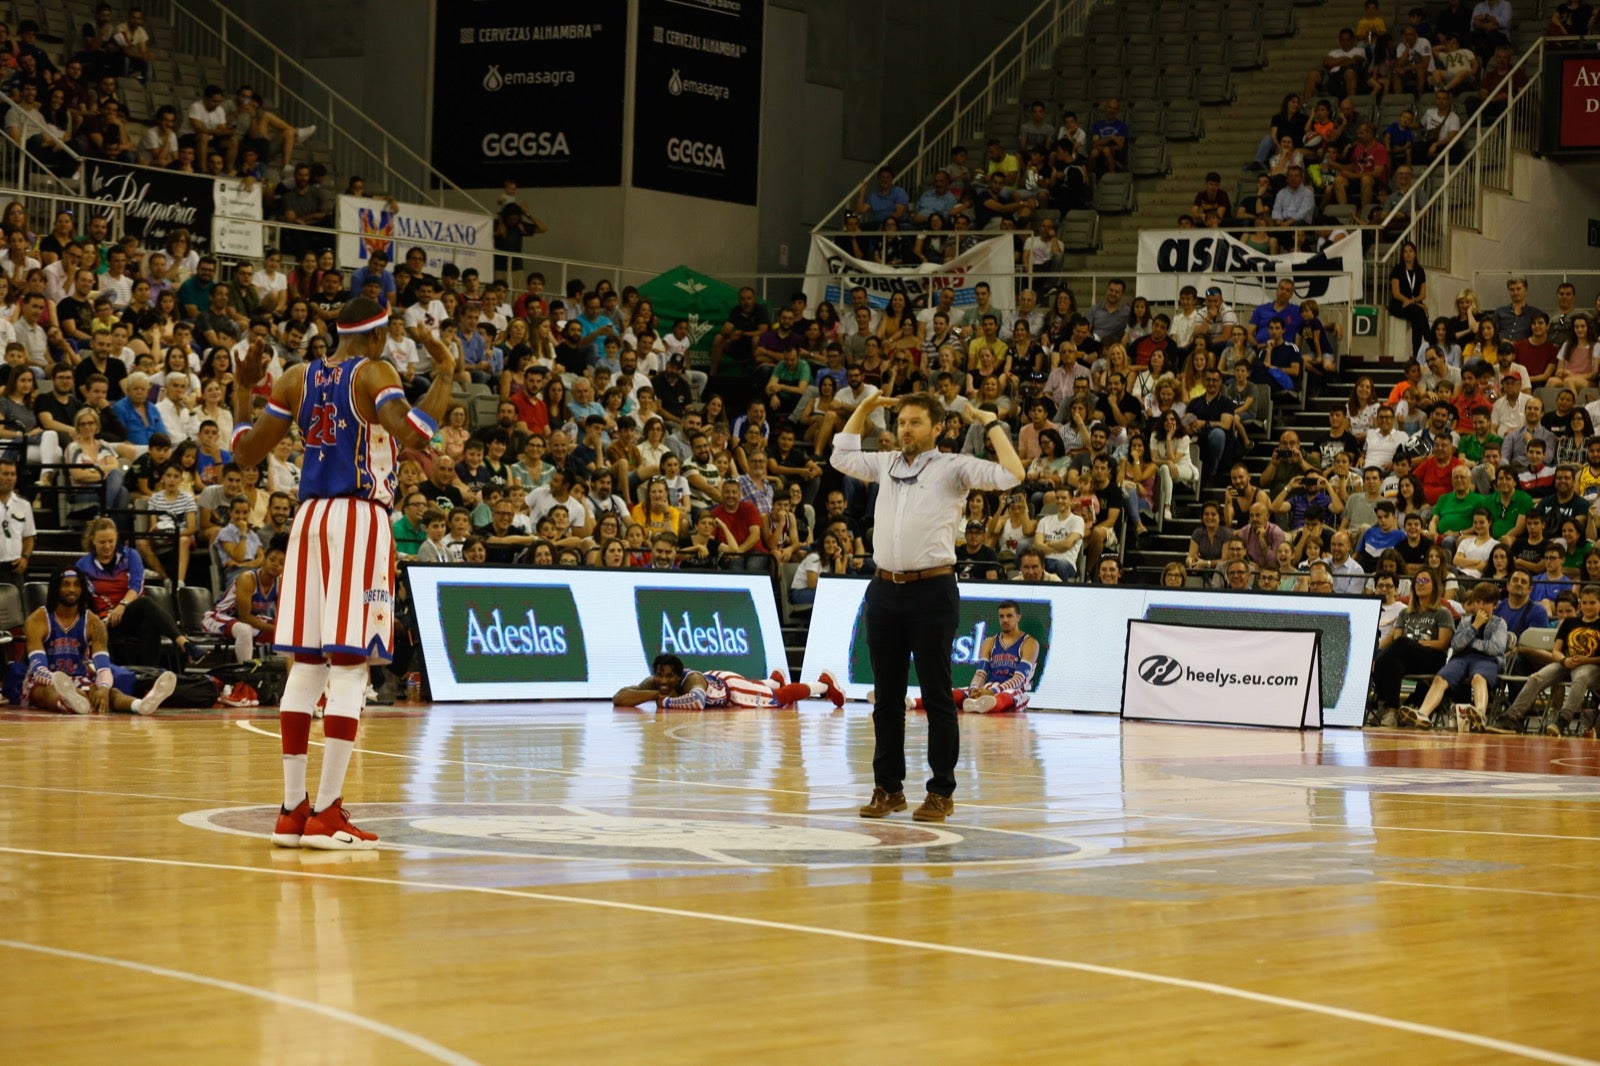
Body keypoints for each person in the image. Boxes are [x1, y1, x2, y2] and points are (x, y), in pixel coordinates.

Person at [229, 296, 457, 850]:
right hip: (359, 519)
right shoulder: (375, 370)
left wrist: (241, 389)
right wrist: (446, 373)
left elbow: (244, 454)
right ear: (378, 335)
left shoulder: (294, 377)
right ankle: (328, 813)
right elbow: (414, 432)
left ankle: (291, 811)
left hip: (307, 520)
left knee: (306, 665)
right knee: (351, 669)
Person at [830, 388, 1025, 824]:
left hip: (932, 591)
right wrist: (864, 408)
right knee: (887, 698)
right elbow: (840, 457)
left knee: (937, 696)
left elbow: (1013, 474)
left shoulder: (953, 468)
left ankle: (941, 792)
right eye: (901, 422)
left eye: (915, 422)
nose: (905, 429)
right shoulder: (885, 463)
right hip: (883, 590)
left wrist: (990, 423)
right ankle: (889, 788)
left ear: (938, 428)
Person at [4, 567, 177, 714]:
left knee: (112, 693)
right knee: (49, 693)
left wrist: (102, 687)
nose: (71, 589)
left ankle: (141, 705)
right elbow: (37, 668)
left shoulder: (93, 622)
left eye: (76, 585)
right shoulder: (37, 619)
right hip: (45, 679)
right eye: (66, 584)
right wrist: (60, 682)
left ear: (83, 590)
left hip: (78, 678)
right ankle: (68, 702)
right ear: (56, 588)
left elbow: (103, 666)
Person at [1490, 581, 1600, 736]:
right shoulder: (1569, 622)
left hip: (1590, 666)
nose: (1588, 607)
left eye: (1593, 603)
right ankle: (1512, 717)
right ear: (1580, 605)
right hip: (1566, 663)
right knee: (1536, 677)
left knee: (1581, 677)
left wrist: (1585, 660)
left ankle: (1562, 720)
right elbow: (1556, 650)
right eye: (1585, 603)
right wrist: (1564, 660)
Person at [1397, 582, 1510, 731]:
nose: (1481, 607)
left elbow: (1495, 648)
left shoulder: (1499, 623)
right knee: (1440, 679)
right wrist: (1474, 627)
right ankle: (1423, 714)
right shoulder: (1466, 622)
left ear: (1494, 605)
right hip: (1461, 658)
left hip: (1487, 660)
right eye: (1478, 602)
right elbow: (1456, 644)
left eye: (1485, 603)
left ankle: (1480, 714)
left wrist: (1470, 642)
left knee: (1478, 678)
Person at [907, 600, 1040, 714]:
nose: (1005, 620)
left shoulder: (1030, 643)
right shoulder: (990, 642)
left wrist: (993, 691)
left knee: (1004, 697)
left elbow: (1019, 678)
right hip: (988, 688)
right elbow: (980, 673)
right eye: (1001, 616)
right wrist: (974, 689)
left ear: (1018, 617)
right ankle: (913, 703)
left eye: (1009, 616)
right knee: (955, 693)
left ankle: (980, 705)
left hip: (1014, 690)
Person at [612, 654, 844, 710]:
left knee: (778, 699)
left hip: (730, 690)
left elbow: (697, 701)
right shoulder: (655, 684)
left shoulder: (692, 679)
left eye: (668, 676)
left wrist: (662, 702)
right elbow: (619, 697)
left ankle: (823, 685)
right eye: (659, 676)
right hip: (719, 680)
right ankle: (773, 680)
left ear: (678, 675)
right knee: (765, 689)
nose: (663, 681)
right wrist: (652, 694)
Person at [201, 533, 284, 664]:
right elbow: (244, 616)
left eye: (281, 563)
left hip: (242, 622)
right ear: (263, 560)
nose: (275, 564)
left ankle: (285, 675)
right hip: (217, 617)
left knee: (285, 632)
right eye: (272, 559)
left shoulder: (279, 583)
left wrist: (282, 629)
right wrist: (275, 629)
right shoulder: (248, 578)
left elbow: (281, 616)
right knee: (244, 630)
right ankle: (246, 677)